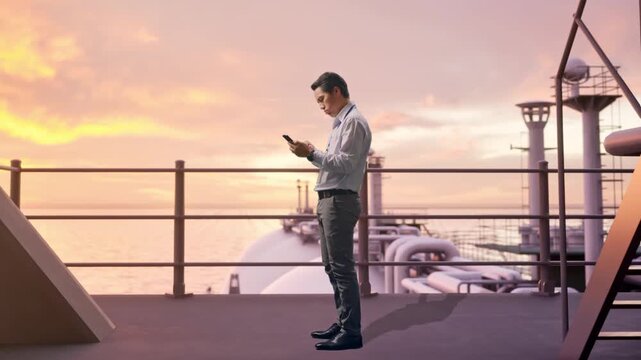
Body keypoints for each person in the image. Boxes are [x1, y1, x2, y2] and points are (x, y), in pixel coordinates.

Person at [288, 72, 372, 351]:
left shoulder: (354, 123)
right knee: (331, 267)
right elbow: (334, 163)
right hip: (328, 200)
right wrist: (310, 152)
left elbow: (344, 164)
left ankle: (351, 332)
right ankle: (344, 320)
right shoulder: (340, 125)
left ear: (337, 91)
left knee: (341, 268)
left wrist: (310, 153)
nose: (321, 106)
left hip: (339, 202)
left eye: (322, 99)